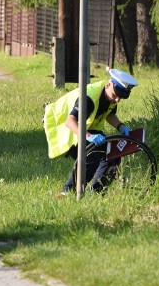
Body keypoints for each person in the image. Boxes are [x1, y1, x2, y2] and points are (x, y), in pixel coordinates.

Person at [48, 68, 138, 197]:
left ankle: (97, 192)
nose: (117, 100)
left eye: (120, 97)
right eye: (116, 95)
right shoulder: (89, 98)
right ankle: (67, 192)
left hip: (85, 127)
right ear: (108, 85)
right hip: (65, 127)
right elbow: (70, 122)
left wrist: (121, 127)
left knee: (113, 154)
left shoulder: (110, 96)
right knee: (93, 155)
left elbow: (110, 115)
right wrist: (89, 136)